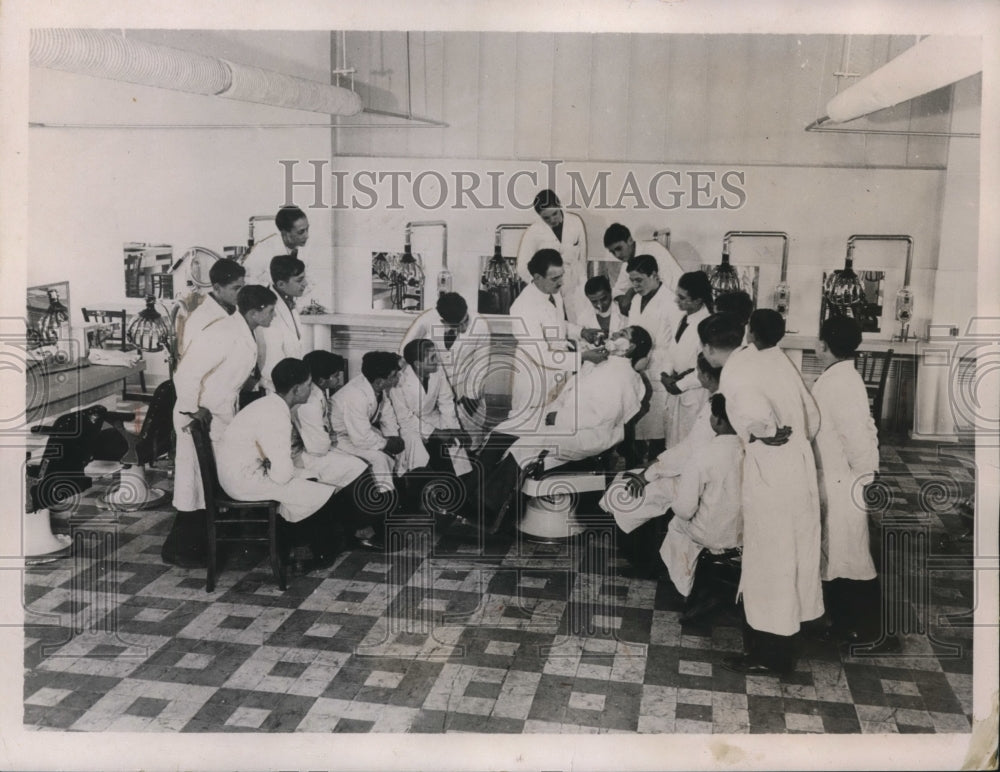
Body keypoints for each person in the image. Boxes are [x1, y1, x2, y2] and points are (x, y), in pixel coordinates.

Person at [702, 310, 823, 676]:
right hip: (797, 467)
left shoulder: (736, 372)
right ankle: (779, 643)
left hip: (772, 472)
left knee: (771, 562)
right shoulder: (771, 358)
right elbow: (812, 416)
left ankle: (771, 656)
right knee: (789, 556)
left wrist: (760, 432)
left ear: (707, 349)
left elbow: (757, 416)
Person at [472, 325, 652, 533]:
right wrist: (551, 413)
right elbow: (568, 394)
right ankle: (469, 495)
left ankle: (488, 509)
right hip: (563, 422)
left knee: (527, 444)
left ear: (630, 348)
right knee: (505, 430)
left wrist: (559, 417)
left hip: (588, 435)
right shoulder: (600, 364)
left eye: (622, 335)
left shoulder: (625, 377)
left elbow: (603, 417)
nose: (614, 334)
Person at [218, 358, 394, 564]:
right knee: (319, 492)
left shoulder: (273, 404)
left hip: (250, 469)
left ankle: (319, 544)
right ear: (296, 389)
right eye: (308, 385)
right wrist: (302, 475)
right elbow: (282, 475)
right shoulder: (276, 415)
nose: (312, 389)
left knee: (322, 480)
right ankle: (309, 553)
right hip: (244, 480)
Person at [162, 284, 277, 567]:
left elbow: (231, 373)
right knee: (198, 483)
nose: (274, 316)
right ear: (254, 312)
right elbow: (186, 373)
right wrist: (194, 408)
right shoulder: (222, 333)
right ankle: (182, 550)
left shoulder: (245, 332)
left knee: (206, 482)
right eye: (271, 311)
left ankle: (205, 544)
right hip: (199, 415)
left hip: (219, 412)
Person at [812, 317, 900, 653]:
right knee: (839, 554)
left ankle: (874, 633)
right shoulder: (838, 377)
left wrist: (864, 478)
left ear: (823, 344)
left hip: (845, 481)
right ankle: (847, 624)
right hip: (834, 477)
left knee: (852, 556)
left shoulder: (843, 383)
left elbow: (859, 439)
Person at [601, 352, 723, 537]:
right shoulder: (714, 400)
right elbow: (689, 447)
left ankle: (637, 546)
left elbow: (690, 451)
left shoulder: (715, 409)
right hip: (691, 466)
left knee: (633, 492)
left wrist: (648, 474)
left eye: (696, 371)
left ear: (705, 376)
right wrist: (654, 464)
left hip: (695, 475)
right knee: (629, 479)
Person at [657, 393, 743, 600]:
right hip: (744, 532)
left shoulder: (704, 455)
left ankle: (686, 586)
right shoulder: (749, 450)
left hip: (711, 534)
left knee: (675, 525)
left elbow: (685, 510)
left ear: (718, 420)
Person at [507, 249, 604, 430]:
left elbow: (557, 325)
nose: (561, 282)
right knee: (526, 431)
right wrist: (583, 357)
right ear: (537, 277)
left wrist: (582, 332)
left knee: (551, 429)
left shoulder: (554, 293)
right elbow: (541, 355)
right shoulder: (523, 308)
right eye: (554, 278)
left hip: (557, 374)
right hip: (535, 379)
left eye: (561, 276)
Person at [399, 292, 489, 429]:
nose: (464, 328)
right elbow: (405, 350)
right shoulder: (428, 319)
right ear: (443, 321)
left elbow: (481, 364)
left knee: (468, 436)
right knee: (437, 434)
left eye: (466, 321)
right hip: (435, 386)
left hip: (464, 387)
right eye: (459, 325)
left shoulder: (481, 325)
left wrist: (471, 397)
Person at [625, 253, 682, 463]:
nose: (635, 285)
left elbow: (676, 342)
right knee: (635, 432)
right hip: (637, 370)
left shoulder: (670, 302)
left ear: (654, 274)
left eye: (639, 280)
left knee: (658, 434)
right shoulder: (636, 300)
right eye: (631, 280)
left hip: (659, 371)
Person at [328, 350, 406, 491]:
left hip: (356, 430)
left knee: (392, 454)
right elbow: (361, 439)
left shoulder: (376, 386)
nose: (397, 379)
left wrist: (393, 437)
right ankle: (385, 498)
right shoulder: (356, 395)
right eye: (394, 376)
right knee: (379, 459)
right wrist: (387, 444)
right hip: (338, 437)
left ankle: (394, 488)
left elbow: (387, 415)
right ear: (379, 381)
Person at [293, 350, 369, 491]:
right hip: (304, 455)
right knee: (357, 466)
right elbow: (317, 447)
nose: (339, 380)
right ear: (322, 380)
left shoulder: (318, 393)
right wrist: (329, 441)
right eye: (335, 376)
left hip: (316, 447)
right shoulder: (310, 402)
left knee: (358, 464)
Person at [516, 190, 589, 323]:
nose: (552, 220)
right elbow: (522, 267)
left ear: (559, 205)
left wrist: (584, 286)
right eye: (546, 218)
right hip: (550, 291)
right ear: (540, 216)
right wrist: (541, 286)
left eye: (554, 214)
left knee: (580, 326)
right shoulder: (533, 232)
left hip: (575, 288)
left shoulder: (576, 222)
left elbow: (582, 259)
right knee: (556, 328)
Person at [661, 271, 714, 448]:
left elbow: (708, 366)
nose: (677, 300)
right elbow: (673, 349)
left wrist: (680, 385)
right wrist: (665, 373)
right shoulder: (685, 318)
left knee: (689, 446)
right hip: (676, 389)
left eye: (683, 297)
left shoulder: (707, 325)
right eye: (678, 295)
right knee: (673, 445)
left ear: (698, 300)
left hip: (694, 393)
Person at [603, 223, 684, 315]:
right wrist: (623, 300)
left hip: (676, 304)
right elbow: (618, 290)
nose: (617, 255)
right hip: (656, 307)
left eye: (619, 248)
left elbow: (664, 285)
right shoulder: (627, 261)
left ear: (629, 240)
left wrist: (630, 292)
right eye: (612, 252)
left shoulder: (653, 249)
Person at [175, 258, 245, 360]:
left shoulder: (233, 308)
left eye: (243, 287)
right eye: (236, 288)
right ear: (217, 288)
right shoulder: (201, 319)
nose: (241, 293)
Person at [256, 255, 307, 393]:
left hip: (292, 384)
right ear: (280, 284)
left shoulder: (289, 301)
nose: (305, 284)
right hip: (278, 387)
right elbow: (270, 362)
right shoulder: (268, 310)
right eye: (299, 280)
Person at [244, 205, 310, 286]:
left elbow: (310, 282)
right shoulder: (264, 250)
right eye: (301, 232)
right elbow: (246, 280)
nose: (307, 236)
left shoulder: (304, 249)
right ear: (285, 233)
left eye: (307, 229)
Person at [579, 275, 626, 342]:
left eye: (603, 299)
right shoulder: (583, 318)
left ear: (610, 291)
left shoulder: (623, 310)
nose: (600, 305)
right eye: (594, 301)